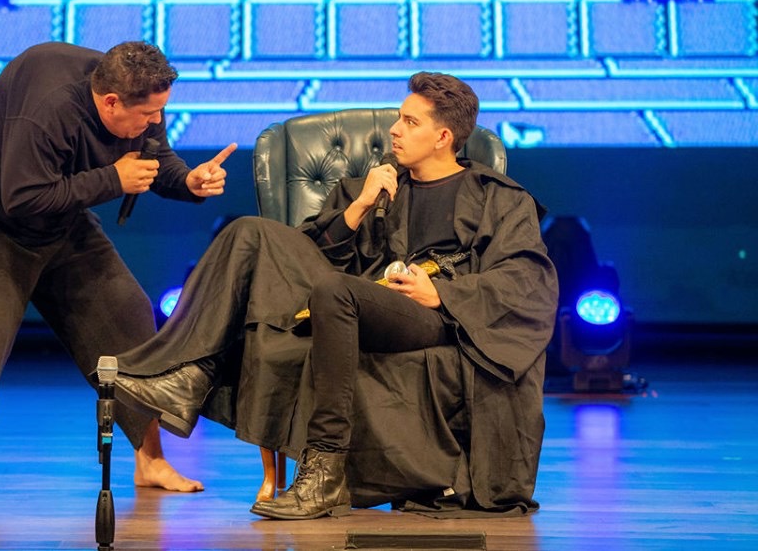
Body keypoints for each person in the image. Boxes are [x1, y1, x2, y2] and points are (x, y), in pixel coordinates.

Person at [105, 71, 559, 519]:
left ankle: (325, 473)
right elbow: (302, 258)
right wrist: (358, 207)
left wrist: (442, 293)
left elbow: (525, 278)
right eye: (398, 118)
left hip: (433, 316)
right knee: (248, 232)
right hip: (355, 300)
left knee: (337, 291)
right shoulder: (369, 188)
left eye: (409, 122)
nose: (394, 130)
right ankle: (191, 374)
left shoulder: (498, 198)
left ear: (443, 137)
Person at [0, 40, 238, 498]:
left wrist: (188, 181)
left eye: (161, 110)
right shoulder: (45, 110)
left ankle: (151, 461)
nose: (158, 120)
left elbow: (153, 158)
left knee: (129, 319)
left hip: (62, 224)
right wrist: (112, 179)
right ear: (110, 102)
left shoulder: (135, 94)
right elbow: (22, 197)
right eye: (149, 113)